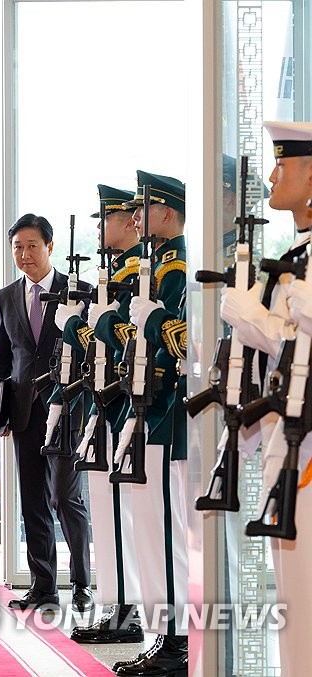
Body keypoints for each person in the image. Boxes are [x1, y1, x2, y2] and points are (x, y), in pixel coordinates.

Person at [234, 121, 312, 676]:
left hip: (307, 447)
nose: (272, 174)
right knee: (293, 596)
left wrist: (253, 319)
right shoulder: (297, 254)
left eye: (284, 164)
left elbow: (296, 340)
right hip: (284, 441)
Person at [54, 185, 145, 645]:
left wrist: (78, 326)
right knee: (109, 517)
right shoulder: (118, 271)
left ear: (130, 222)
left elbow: (124, 342)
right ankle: (117, 607)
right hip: (102, 406)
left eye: (105, 219)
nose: (98, 228)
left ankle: (126, 613)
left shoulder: (142, 274)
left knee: (121, 518)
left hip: (119, 406)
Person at [0, 213, 92, 613]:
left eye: (32, 246)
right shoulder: (7, 296)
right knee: (31, 500)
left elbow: (89, 351)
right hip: (23, 412)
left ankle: (82, 582)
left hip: (67, 407)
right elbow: (2, 358)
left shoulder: (77, 291)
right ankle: (43, 585)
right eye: (17, 247)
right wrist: (0, 413)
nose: (25, 254)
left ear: (50, 247)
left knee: (66, 497)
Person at [108, 171, 190, 676]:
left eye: (143, 209)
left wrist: (152, 320)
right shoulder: (155, 264)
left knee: (163, 530)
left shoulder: (178, 265)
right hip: (142, 407)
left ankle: (177, 639)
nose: (135, 217)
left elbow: (182, 342)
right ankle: (164, 633)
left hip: (166, 410)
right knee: (149, 528)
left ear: (165, 212)